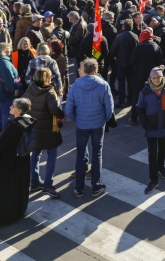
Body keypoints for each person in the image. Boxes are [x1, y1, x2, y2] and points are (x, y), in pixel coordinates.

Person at [65, 58, 113, 198]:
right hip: (98, 125)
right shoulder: (103, 85)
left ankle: (79, 188)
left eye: (80, 67)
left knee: (80, 155)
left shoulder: (75, 86)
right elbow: (109, 109)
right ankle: (95, 186)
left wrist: (77, 120)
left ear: (86, 70)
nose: (78, 70)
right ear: (95, 70)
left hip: (81, 125)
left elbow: (68, 110)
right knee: (97, 154)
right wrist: (103, 120)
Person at [23, 67, 64, 199]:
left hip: (34, 128)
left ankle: (34, 181)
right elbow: (54, 109)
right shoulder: (49, 92)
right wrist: (62, 114)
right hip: (48, 129)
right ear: (47, 78)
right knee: (51, 155)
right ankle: (47, 185)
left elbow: (23, 103)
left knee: (35, 154)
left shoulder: (30, 88)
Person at [136, 66, 165, 194]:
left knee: (163, 147)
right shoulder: (145, 91)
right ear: (150, 78)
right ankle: (153, 180)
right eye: (153, 78)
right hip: (151, 127)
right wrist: (145, 124)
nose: (156, 80)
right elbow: (140, 108)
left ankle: (161, 167)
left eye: (158, 77)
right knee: (152, 153)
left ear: (162, 77)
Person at [0, 98, 36, 225]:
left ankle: (6, 216)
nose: (10, 107)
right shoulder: (28, 121)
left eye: (13, 106)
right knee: (20, 185)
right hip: (22, 159)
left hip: (9, 161)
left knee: (7, 189)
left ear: (19, 110)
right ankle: (20, 209)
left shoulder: (14, 126)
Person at [128, 29, 163, 125]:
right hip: (152, 77)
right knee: (151, 97)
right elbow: (159, 62)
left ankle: (134, 118)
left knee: (136, 97)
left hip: (138, 76)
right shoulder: (156, 47)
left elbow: (131, 61)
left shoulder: (138, 48)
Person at [110, 19, 139, 108]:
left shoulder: (119, 37)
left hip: (120, 63)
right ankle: (130, 99)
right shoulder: (135, 36)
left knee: (121, 82)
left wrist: (114, 57)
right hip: (131, 63)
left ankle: (121, 100)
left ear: (124, 26)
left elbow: (112, 50)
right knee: (130, 82)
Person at [0, 43, 19, 130]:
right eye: (9, 48)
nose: (11, 50)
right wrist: (13, 89)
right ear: (4, 50)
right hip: (5, 92)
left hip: (2, 91)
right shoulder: (4, 62)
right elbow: (9, 78)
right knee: (6, 112)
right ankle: (5, 131)